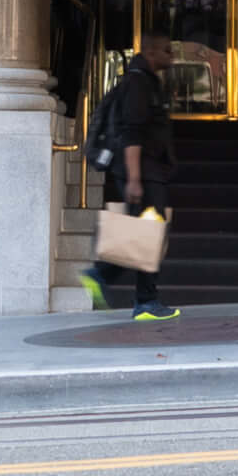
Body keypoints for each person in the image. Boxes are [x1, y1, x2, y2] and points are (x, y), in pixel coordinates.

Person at [81, 34, 178, 320]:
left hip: (148, 172)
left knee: (147, 232)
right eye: (167, 50)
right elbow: (131, 134)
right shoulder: (138, 84)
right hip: (143, 172)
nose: (172, 56)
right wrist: (135, 178)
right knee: (151, 233)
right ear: (150, 52)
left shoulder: (145, 81)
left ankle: (106, 276)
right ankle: (143, 300)